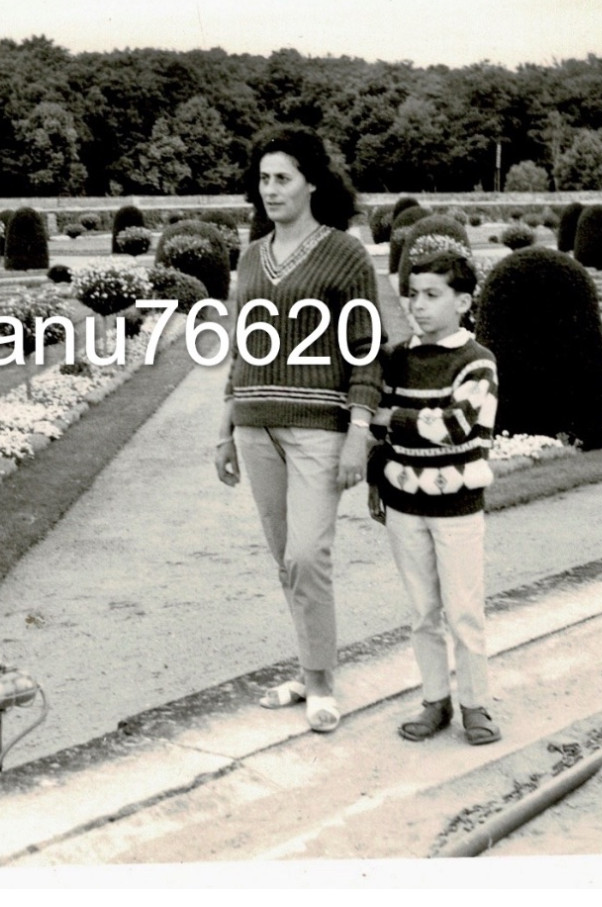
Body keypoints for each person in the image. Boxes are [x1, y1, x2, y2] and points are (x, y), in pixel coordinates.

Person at [213, 124, 383, 735]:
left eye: (283, 178)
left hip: (319, 430)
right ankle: (310, 672)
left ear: (312, 182)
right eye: (263, 179)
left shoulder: (344, 254)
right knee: (286, 559)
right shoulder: (251, 255)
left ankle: (321, 685)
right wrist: (225, 426)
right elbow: (241, 346)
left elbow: (366, 350)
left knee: (309, 555)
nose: (271, 190)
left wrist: (360, 430)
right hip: (255, 428)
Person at [367, 249, 501, 746]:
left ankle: (475, 703)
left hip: (457, 507)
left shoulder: (476, 362)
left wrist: (391, 421)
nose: (417, 306)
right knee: (422, 611)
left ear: (463, 301)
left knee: (463, 609)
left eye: (431, 295)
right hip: (405, 505)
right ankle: (434, 701)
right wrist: (376, 476)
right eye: (412, 295)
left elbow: (453, 428)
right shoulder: (399, 358)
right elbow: (380, 427)